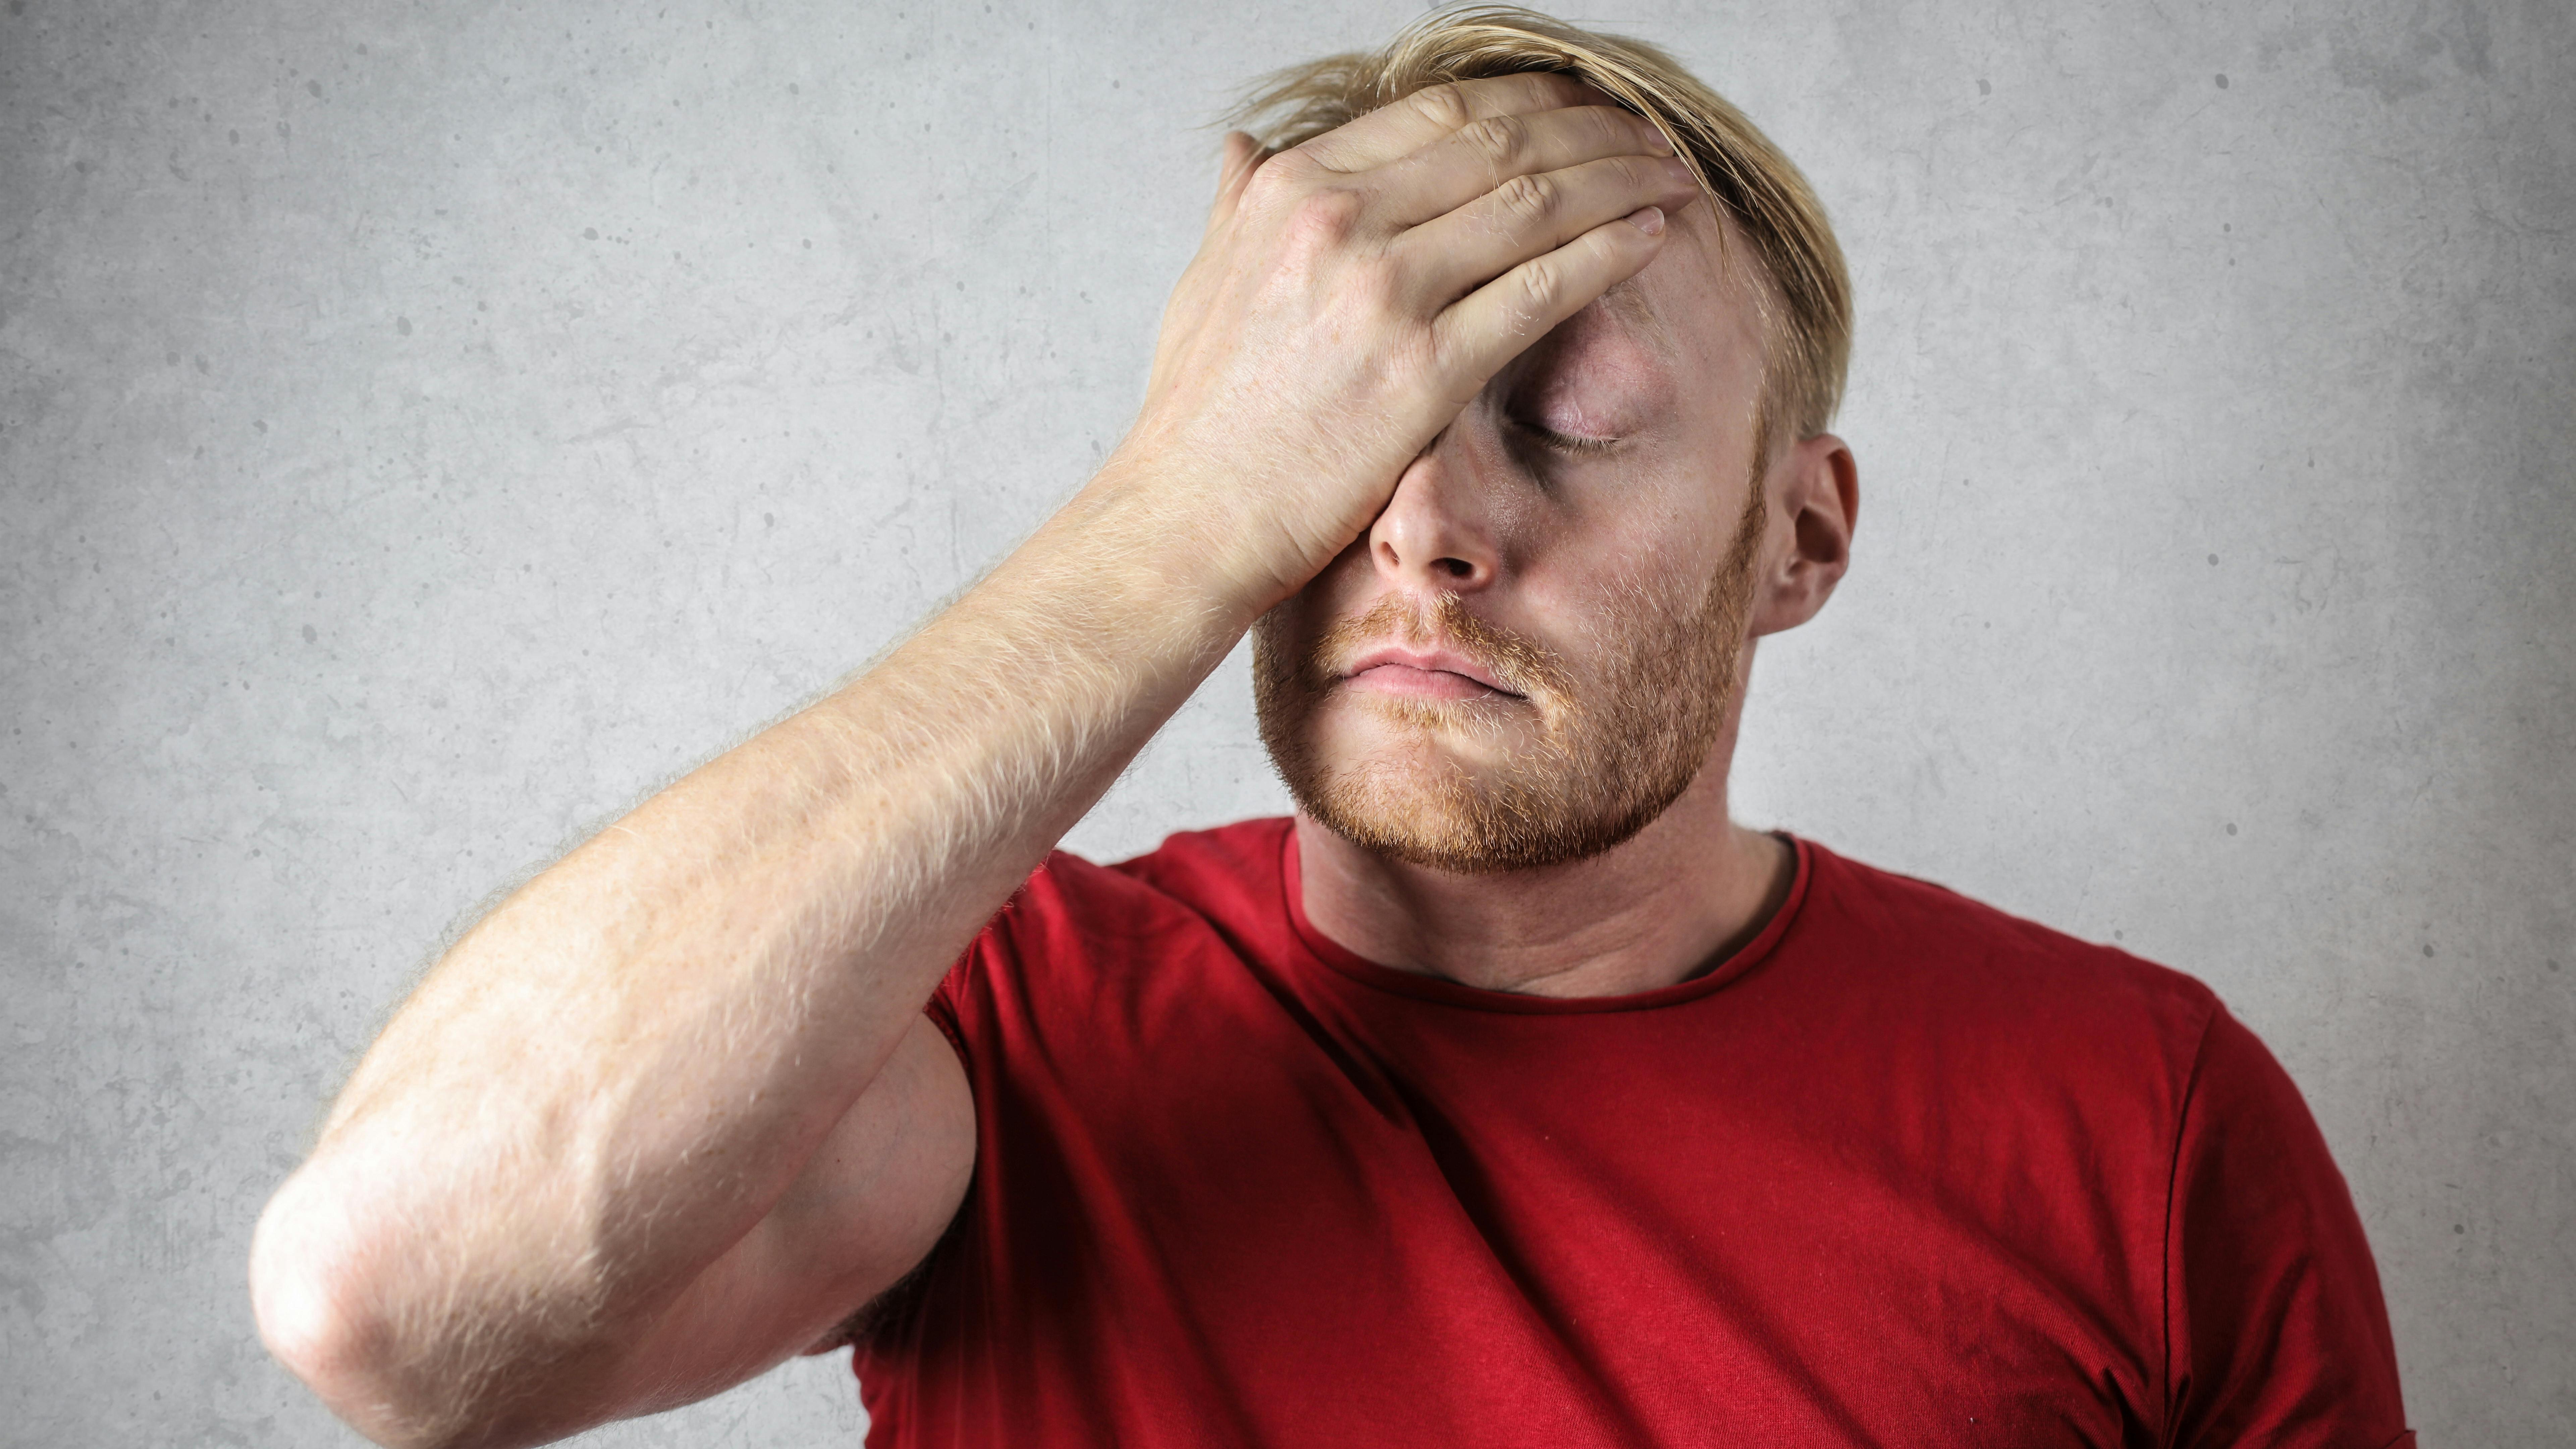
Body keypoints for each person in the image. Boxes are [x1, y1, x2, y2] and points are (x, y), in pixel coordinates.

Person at [249, 8, 2412, 1447]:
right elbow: (385, 1304)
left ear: (1801, 539)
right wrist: (1171, 513)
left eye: (1565, 423)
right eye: (1344, 436)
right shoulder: (991, 1039)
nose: (1430, 528)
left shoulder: (2147, 1116)